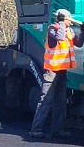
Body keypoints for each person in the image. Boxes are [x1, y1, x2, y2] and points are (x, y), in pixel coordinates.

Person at [28, 8, 79, 139]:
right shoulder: (53, 28)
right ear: (62, 18)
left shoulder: (69, 31)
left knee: (60, 101)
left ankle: (58, 129)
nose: (70, 21)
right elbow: (59, 37)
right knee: (45, 100)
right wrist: (61, 22)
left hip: (62, 70)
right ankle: (36, 129)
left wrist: (83, 31)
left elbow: (78, 43)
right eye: (68, 18)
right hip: (52, 70)